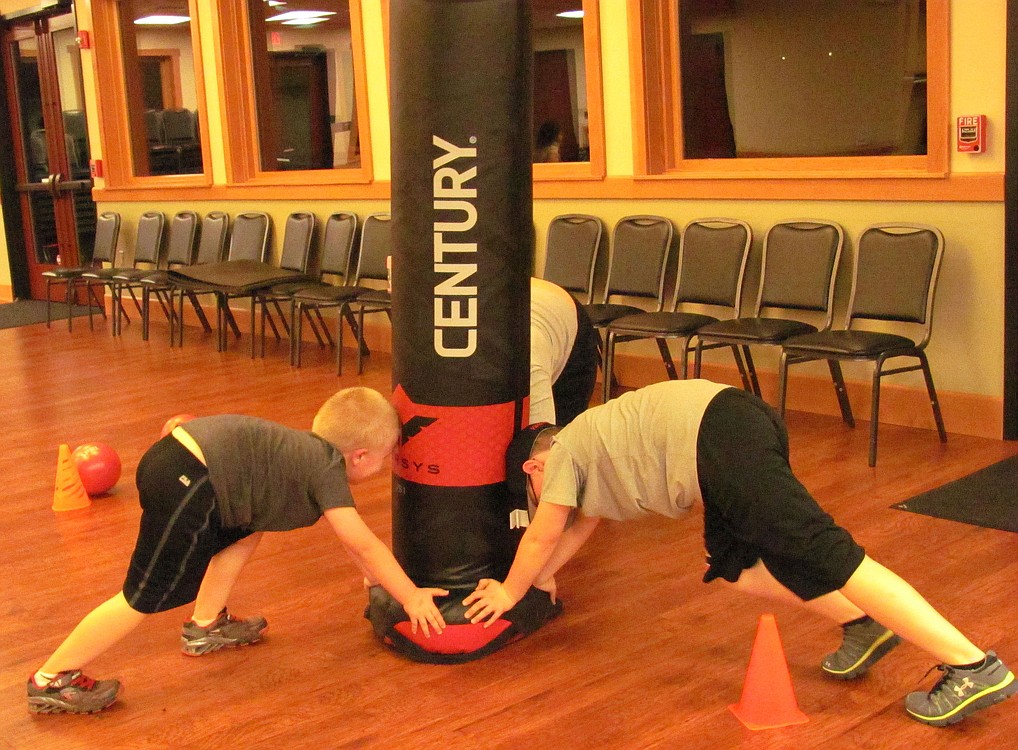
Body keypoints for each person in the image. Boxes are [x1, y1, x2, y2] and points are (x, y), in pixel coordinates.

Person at [463, 380, 1017, 727]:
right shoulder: (594, 456)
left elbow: (544, 533)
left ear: (535, 469)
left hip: (719, 435)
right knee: (738, 570)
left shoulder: (562, 456)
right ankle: (863, 626)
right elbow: (576, 531)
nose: (540, 506)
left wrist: (510, 590)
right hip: (729, 428)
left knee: (825, 552)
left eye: (532, 497)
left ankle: (973, 665)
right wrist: (542, 580)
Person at [28, 387, 447, 715]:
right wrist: (410, 596)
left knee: (248, 529)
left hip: (186, 463)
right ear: (359, 456)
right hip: (188, 477)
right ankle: (51, 678)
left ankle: (205, 625)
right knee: (145, 596)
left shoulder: (301, 454)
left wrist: (374, 577)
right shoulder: (325, 470)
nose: (388, 465)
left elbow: (356, 547)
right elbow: (362, 541)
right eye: (387, 456)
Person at [530, 276, 599, 426]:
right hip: (534, 303)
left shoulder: (528, 363)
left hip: (565, 317)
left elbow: (545, 441)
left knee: (565, 435)